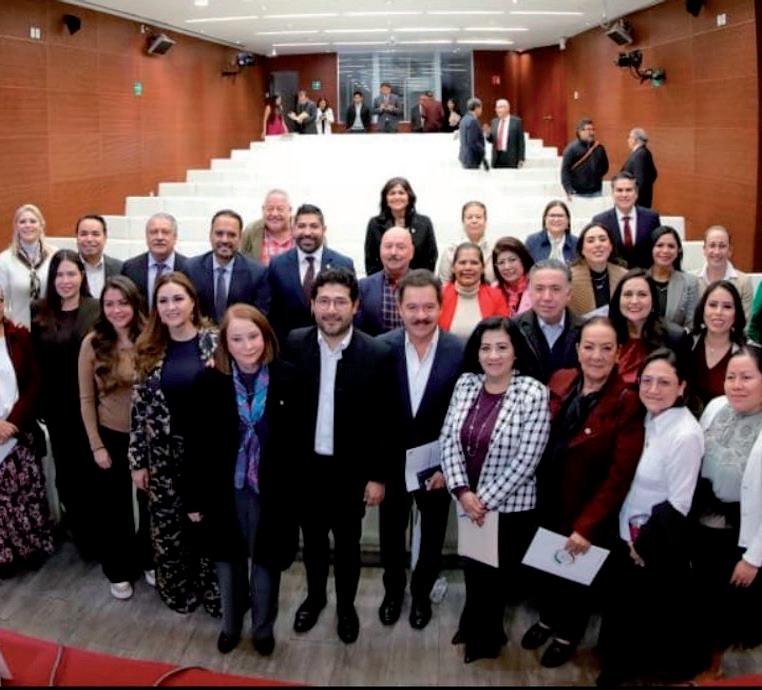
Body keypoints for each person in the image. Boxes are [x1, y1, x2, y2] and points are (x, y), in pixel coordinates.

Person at [522, 317, 644, 669]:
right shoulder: (561, 380)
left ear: (618, 353)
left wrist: (587, 525)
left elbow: (620, 476)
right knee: (546, 567)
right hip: (547, 496)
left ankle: (567, 634)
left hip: (587, 507)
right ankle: (547, 619)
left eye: (606, 348)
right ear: (577, 350)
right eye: (589, 347)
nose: (596, 356)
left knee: (575, 577)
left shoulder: (626, 401)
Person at [285, 268, 392, 645]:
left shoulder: (377, 353)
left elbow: (384, 421)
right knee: (313, 543)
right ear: (312, 305)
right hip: (307, 469)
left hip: (351, 473)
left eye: (340, 302)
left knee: (348, 547)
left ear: (355, 306)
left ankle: (346, 607)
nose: (331, 310)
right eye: (324, 301)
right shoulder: (294, 343)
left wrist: (378, 476)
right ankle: (315, 599)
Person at [185, 304, 298, 657]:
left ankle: (263, 629)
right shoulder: (208, 382)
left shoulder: (289, 378)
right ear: (225, 343)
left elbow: (298, 443)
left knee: (266, 563)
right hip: (224, 490)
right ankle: (230, 626)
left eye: (253, 336)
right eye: (237, 339)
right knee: (228, 561)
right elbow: (196, 446)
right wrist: (193, 498)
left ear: (266, 337)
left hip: (272, 491)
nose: (247, 346)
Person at [441, 317, 550, 663]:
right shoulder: (466, 383)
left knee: (495, 576)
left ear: (516, 352)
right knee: (473, 567)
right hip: (467, 499)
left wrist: (482, 501)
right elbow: (448, 439)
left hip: (509, 507)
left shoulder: (533, 392)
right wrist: (462, 491)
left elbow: (527, 460)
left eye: (502, 347)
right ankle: (471, 622)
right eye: (485, 348)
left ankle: (486, 639)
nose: (493, 355)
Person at [597, 348, 705, 685]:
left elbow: (679, 503)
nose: (653, 389)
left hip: (653, 545)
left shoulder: (685, 434)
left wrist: (642, 546)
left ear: (682, 387)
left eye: (664, 382)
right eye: (647, 381)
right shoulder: (647, 417)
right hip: (627, 534)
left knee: (643, 623)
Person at [376, 270, 465, 630]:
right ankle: (393, 592)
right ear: (399, 308)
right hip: (392, 464)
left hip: (438, 466)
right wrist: (376, 472)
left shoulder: (460, 351)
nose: (421, 315)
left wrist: (450, 467)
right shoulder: (380, 348)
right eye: (412, 307)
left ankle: (422, 594)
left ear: (441, 307)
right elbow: (372, 415)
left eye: (429, 307)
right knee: (391, 535)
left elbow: (465, 416)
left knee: (432, 535)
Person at [128, 272, 220, 616]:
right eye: (163, 301)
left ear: (193, 302)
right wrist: (137, 461)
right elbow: (138, 412)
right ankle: (179, 591)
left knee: (209, 527)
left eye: (178, 298)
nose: (171, 307)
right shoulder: (148, 348)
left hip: (208, 455)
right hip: (162, 456)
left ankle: (216, 594)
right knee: (169, 528)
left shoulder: (217, 342)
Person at [78, 275, 153, 600]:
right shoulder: (92, 343)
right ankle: (119, 569)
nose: (116, 310)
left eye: (123, 303)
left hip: (148, 437)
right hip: (111, 434)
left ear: (135, 304)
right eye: (109, 304)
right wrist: (96, 445)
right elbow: (86, 400)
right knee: (115, 508)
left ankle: (149, 559)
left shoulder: (151, 337)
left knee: (149, 504)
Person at [692, 345, 762, 680]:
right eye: (731, 377)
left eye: (746, 377)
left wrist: (754, 558)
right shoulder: (716, 406)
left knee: (723, 606)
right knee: (697, 597)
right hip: (699, 520)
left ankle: (713, 667)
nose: (736, 385)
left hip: (737, 534)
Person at [31, 250, 99, 558]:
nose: (66, 280)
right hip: (56, 408)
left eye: (72, 273)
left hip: (90, 405)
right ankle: (78, 528)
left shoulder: (95, 309)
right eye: (59, 274)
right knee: (67, 474)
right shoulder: (39, 310)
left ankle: (96, 534)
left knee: (91, 471)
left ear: (82, 276)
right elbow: (35, 361)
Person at [0, 284, 54, 577]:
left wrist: (13, 423)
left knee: (25, 495)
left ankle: (30, 551)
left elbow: (35, 382)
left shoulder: (19, 336)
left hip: (19, 432)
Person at [267, 203, 354, 343]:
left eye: (314, 226)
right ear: (293, 229)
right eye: (301, 226)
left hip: (332, 344)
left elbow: (350, 310)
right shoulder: (277, 265)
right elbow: (272, 314)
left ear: (324, 230)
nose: (307, 232)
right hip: (289, 348)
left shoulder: (343, 264)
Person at [608, 268, 691, 386]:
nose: (634, 301)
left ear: (653, 301)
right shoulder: (606, 334)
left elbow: (683, 385)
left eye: (642, 294)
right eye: (628, 294)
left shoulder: (674, 338)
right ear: (618, 300)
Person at [186, 209, 269, 323]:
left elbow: (260, 316)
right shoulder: (191, 269)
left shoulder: (257, 273)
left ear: (240, 238)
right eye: (219, 234)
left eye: (231, 235)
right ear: (210, 235)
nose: (225, 240)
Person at [511, 259, 582, 384]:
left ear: (569, 294)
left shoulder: (585, 331)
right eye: (539, 289)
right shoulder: (512, 329)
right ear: (529, 292)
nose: (547, 297)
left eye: (555, 289)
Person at [688, 280, 746, 413]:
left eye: (727, 307)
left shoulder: (748, 353)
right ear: (703, 308)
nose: (719, 312)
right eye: (713, 305)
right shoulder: (686, 342)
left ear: (736, 313)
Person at [364, 177, 437, 276]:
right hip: (384, 281)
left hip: (417, 280)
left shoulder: (424, 223)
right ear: (385, 199)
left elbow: (431, 258)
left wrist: (421, 281)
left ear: (409, 197)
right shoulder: (375, 224)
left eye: (401, 193)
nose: (397, 197)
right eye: (392, 193)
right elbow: (371, 260)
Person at [0, 204, 58, 328]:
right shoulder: (4, 260)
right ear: (16, 226)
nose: (28, 225)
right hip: (19, 330)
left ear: (41, 225)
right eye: (22, 222)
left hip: (51, 329)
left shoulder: (55, 255)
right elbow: (3, 301)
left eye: (33, 221)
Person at [591, 171, 661, 269]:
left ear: (636, 193)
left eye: (629, 190)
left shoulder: (651, 218)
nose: (624, 194)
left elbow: (658, 248)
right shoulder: (600, 221)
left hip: (645, 275)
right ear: (612, 193)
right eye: (619, 190)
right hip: (613, 275)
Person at [438, 243, 508, 340]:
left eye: (474, 263)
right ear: (453, 268)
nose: (468, 267)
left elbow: (503, 334)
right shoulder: (439, 296)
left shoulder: (496, 296)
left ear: (483, 268)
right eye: (462, 263)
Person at [121, 212, 190, 309]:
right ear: (146, 237)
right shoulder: (130, 268)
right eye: (153, 232)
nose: (159, 237)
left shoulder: (189, 268)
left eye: (165, 232)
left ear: (175, 237)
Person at [355, 227, 413, 336]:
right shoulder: (363, 287)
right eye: (388, 246)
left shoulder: (425, 287)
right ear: (380, 250)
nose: (393, 252)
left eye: (400, 247)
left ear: (412, 252)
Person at [568, 223, 627, 318]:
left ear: (611, 246)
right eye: (590, 241)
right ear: (582, 249)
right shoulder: (568, 278)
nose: (598, 245)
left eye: (603, 239)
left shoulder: (624, 276)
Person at [695, 225, 753, 320]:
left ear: (730, 251)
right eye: (712, 245)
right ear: (704, 250)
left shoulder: (744, 282)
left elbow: (744, 322)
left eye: (722, 246)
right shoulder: (692, 280)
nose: (717, 252)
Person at [646, 225, 699, 330]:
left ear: (678, 251)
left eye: (671, 246)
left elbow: (691, 325)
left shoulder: (690, 283)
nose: (665, 250)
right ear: (651, 249)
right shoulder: (638, 280)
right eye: (660, 245)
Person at [437, 201, 494, 284]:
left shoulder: (493, 250)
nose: (474, 220)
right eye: (469, 217)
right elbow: (444, 283)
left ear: (485, 221)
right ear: (463, 222)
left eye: (478, 217)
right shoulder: (451, 250)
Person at [240, 189, 295, 266]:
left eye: (280, 209)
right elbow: (240, 261)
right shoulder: (252, 231)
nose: (274, 214)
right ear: (263, 210)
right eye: (270, 209)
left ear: (290, 210)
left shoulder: (301, 230)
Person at [75, 214, 123, 298]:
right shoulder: (68, 268)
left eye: (95, 234)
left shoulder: (120, 268)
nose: (89, 239)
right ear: (76, 237)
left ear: (105, 237)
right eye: (84, 234)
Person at [560, 118, 609, 198]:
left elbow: (605, 167)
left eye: (593, 129)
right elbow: (565, 171)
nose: (591, 132)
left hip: (596, 191)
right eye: (588, 129)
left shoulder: (599, 148)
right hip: (577, 193)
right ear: (580, 131)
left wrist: (596, 176)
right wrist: (569, 189)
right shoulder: (571, 149)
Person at [525, 200, 578, 265]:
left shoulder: (576, 243)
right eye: (552, 216)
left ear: (568, 220)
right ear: (545, 219)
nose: (556, 219)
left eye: (560, 216)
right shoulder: (532, 241)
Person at [492, 237, 533, 317]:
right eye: (501, 262)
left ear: (523, 260)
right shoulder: (493, 290)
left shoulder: (537, 286)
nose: (507, 267)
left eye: (512, 260)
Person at [621, 127, 658, 208]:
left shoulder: (640, 155)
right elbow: (653, 174)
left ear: (635, 140)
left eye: (629, 137)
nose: (628, 140)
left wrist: (633, 199)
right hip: (641, 200)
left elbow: (640, 180)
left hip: (637, 203)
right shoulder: (644, 152)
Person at [485, 99, 525, 169]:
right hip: (497, 157)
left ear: (507, 108)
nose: (497, 110)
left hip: (511, 157)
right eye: (496, 107)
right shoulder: (494, 122)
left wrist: (521, 158)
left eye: (500, 107)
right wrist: (488, 134)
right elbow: (492, 140)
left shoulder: (516, 122)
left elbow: (521, 142)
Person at [458, 98, 486, 170]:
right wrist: (482, 152)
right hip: (472, 157)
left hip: (464, 156)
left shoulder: (463, 119)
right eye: (481, 108)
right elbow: (473, 142)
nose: (481, 110)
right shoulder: (473, 121)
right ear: (476, 108)